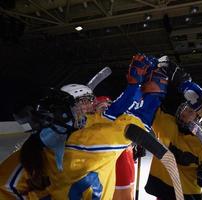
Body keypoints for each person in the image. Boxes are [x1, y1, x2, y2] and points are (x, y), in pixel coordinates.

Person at [0, 54, 185, 200]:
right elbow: (138, 120)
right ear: (68, 110)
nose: (90, 105)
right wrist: (152, 90)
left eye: (89, 99)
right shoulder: (91, 142)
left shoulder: (31, 151)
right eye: (83, 101)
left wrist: (133, 87)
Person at [126, 57, 202, 200]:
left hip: (188, 195)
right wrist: (143, 82)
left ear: (200, 118)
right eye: (185, 108)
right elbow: (149, 106)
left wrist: (191, 88)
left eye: (191, 111)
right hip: (162, 191)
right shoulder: (168, 124)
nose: (185, 112)